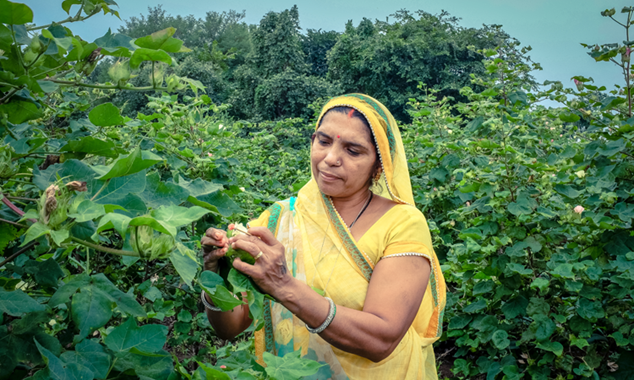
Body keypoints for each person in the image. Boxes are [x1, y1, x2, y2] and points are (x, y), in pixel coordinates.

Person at [201, 94, 446, 379]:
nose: (330, 159)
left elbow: (381, 340)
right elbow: (231, 327)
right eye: (324, 141)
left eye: (353, 151)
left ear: (379, 166)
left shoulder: (401, 224)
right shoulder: (279, 220)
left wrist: (283, 286)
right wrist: (216, 279)